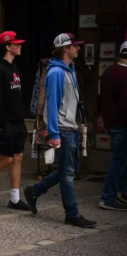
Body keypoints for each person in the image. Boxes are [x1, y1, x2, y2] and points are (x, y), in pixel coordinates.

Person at [24, 33, 96, 228]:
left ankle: (34, 191)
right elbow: (53, 105)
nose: (79, 48)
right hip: (64, 129)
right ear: (65, 48)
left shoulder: (68, 69)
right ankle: (71, 213)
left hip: (71, 127)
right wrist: (54, 134)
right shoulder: (56, 72)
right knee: (68, 174)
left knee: (68, 170)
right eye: (75, 46)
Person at [0, 31, 30, 211]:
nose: (20, 46)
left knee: (18, 157)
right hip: (6, 122)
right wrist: (1, 124)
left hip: (18, 121)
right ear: (8, 47)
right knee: (6, 159)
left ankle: (15, 198)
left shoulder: (13, 67)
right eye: (17, 44)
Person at [98, 41, 127, 211]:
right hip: (123, 124)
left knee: (121, 160)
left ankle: (121, 192)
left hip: (112, 122)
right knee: (118, 161)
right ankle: (108, 197)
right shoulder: (124, 75)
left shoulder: (108, 71)